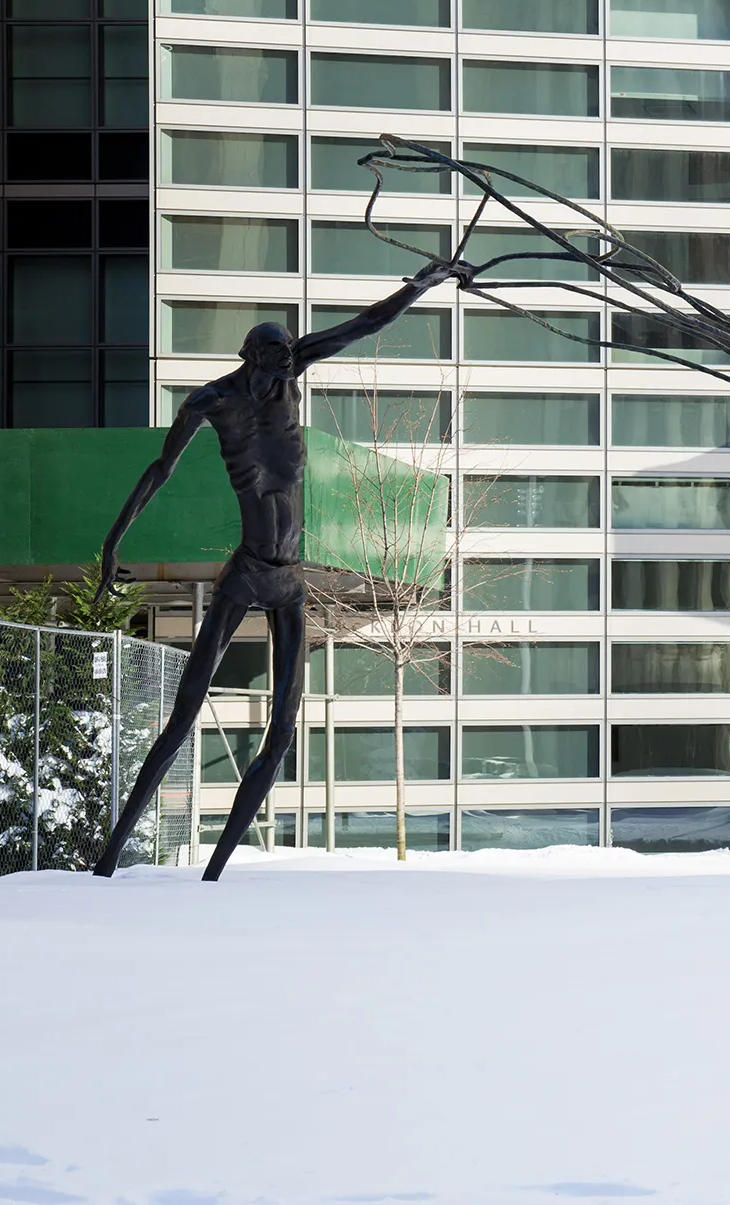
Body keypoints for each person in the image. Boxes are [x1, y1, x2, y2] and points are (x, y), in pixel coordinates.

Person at [93, 257, 474, 880]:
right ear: (250, 357)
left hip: (289, 578)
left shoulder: (292, 369)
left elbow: (365, 324)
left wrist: (424, 282)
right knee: (184, 717)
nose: (282, 369)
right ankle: (108, 863)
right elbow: (160, 470)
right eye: (272, 360)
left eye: (286, 360)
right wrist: (113, 543)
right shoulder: (211, 402)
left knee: (282, 728)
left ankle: (215, 875)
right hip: (244, 573)